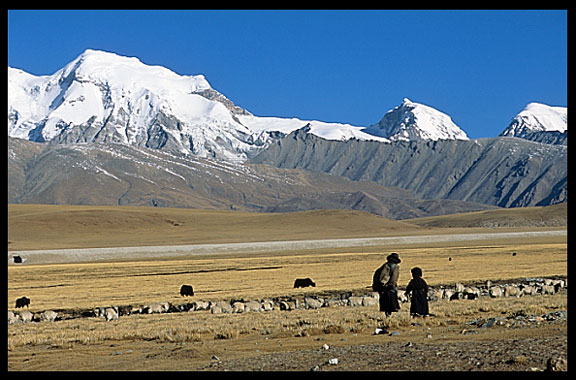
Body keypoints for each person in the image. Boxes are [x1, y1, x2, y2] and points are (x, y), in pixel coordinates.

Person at [372, 252, 401, 317]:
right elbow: (394, 277)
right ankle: (389, 315)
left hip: (383, 287)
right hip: (389, 287)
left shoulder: (385, 265)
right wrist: (391, 284)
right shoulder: (395, 267)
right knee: (390, 302)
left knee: (385, 302)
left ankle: (387, 314)